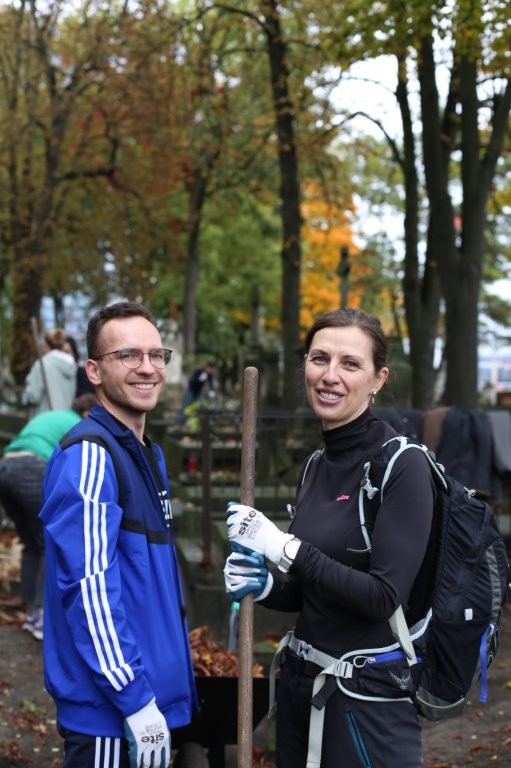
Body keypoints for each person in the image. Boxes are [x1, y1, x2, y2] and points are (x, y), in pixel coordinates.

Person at [223, 307, 435, 768]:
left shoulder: (403, 466)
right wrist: (266, 585)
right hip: (301, 687)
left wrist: (283, 547)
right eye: (319, 358)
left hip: (365, 703)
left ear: (378, 379)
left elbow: (381, 597)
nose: (330, 375)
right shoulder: (316, 465)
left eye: (350, 364)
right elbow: (311, 589)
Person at [40, 301, 197, 768]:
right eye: (128, 355)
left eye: (156, 355)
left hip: (151, 705)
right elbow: (89, 590)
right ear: (94, 370)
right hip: (111, 717)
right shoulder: (91, 455)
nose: (147, 368)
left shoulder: (147, 454)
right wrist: (134, 698)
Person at [0, 394, 96, 640]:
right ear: (87, 413)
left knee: (31, 544)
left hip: (7, 466)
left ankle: (30, 612)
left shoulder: (57, 416)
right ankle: (42, 615)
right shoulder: (79, 425)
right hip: (32, 467)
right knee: (47, 543)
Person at [22, 327, 78, 415]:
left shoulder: (41, 364)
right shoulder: (71, 365)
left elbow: (33, 396)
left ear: (46, 344)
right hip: (65, 418)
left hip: (45, 419)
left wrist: (24, 396)